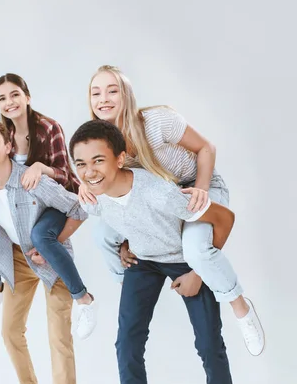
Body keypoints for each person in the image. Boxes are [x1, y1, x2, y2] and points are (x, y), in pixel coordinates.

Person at [70, 119, 236, 384]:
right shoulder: (95, 196)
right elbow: (98, 215)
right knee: (126, 345)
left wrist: (197, 272)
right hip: (144, 263)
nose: (89, 172)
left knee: (208, 342)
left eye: (98, 161)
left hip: (182, 261)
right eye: (80, 164)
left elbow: (223, 219)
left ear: (120, 159)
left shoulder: (159, 191)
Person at [79, 65, 264, 356]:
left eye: (112, 90)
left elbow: (206, 148)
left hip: (196, 184)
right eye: (96, 92)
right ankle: (130, 285)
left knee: (195, 249)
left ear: (125, 95)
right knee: (103, 234)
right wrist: (87, 188)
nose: (104, 99)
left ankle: (239, 306)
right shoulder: (102, 143)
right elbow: (123, 197)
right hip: (161, 199)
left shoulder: (156, 122)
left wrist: (201, 191)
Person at [0, 118, 88, 384]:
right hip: (17, 263)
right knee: (10, 331)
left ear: (9, 146)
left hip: (51, 262)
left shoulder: (30, 180)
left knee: (58, 337)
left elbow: (78, 207)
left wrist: (52, 244)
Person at [0, 73, 95, 339]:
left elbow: (66, 174)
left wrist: (40, 167)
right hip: (26, 204)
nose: (9, 102)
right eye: (2, 98)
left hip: (55, 200)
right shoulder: (5, 133)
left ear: (27, 97)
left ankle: (84, 300)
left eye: (15, 94)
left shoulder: (48, 128)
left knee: (40, 235)